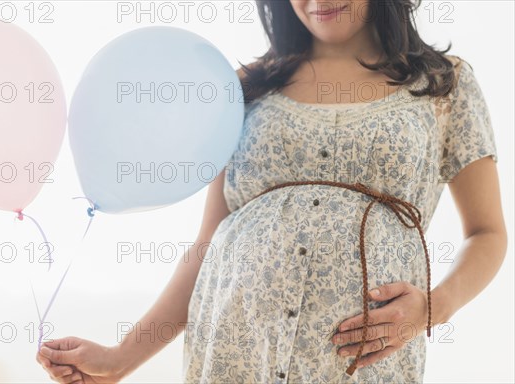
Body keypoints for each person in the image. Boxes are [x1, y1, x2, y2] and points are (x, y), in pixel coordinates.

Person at [36, 1, 508, 383]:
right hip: (234, 351)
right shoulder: (246, 87)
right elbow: (208, 242)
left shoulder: (446, 83)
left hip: (361, 362)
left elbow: (487, 234)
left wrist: (434, 307)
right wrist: (121, 358)